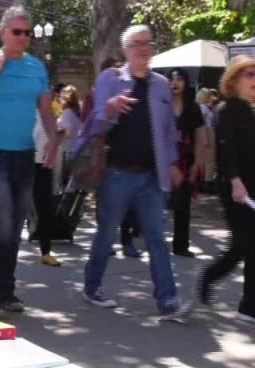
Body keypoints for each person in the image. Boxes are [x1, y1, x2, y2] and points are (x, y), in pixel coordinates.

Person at [78, 24, 189, 321]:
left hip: (151, 176)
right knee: (106, 234)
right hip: (117, 173)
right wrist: (111, 107)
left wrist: (173, 163)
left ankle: (168, 300)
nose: (144, 48)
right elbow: (96, 124)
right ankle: (92, 286)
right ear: (125, 49)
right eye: (137, 43)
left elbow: (167, 132)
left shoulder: (162, 84)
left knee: (156, 238)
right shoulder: (110, 79)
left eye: (148, 43)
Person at [0, 6, 60, 313]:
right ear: (3, 32)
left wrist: (54, 141)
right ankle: (1, 290)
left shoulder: (36, 68)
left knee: (16, 222)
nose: (23, 37)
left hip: (23, 151)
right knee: (3, 219)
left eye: (27, 33)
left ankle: (6, 288)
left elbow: (45, 109)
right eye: (17, 32)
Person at [197, 56, 255, 325]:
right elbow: (226, 148)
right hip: (238, 186)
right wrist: (234, 181)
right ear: (234, 82)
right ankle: (210, 276)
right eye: (249, 75)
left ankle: (249, 304)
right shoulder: (227, 110)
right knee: (242, 244)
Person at [169, 69, 209, 257]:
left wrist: (198, 163)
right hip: (164, 159)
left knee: (183, 205)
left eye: (179, 79)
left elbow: (201, 138)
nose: (175, 83)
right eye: (172, 79)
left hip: (186, 160)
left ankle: (180, 245)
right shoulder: (162, 105)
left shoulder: (193, 108)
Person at [30, 112, 63, 267]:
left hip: (43, 165)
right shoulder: (25, 109)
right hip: (24, 162)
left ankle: (46, 252)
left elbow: (52, 135)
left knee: (46, 210)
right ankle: (6, 252)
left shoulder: (48, 113)